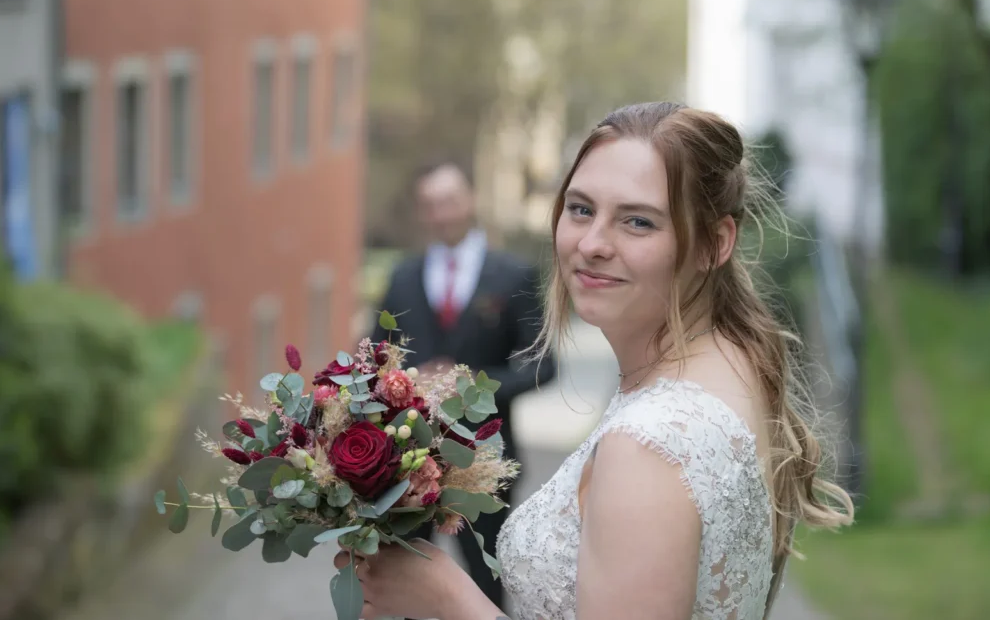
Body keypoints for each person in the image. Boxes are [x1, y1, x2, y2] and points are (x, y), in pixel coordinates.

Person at [340, 102, 855, 620]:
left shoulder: (650, 446)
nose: (590, 244)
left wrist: (447, 598)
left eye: (638, 221)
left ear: (714, 243)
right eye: (581, 208)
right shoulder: (732, 358)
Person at [368, 160, 557, 611]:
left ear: (470, 200)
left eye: (449, 200)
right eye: (430, 204)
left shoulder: (512, 275)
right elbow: (372, 358)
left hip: (484, 463)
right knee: (399, 587)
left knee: (486, 590)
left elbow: (542, 366)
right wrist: (403, 383)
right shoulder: (402, 277)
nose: (441, 213)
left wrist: (470, 386)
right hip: (406, 465)